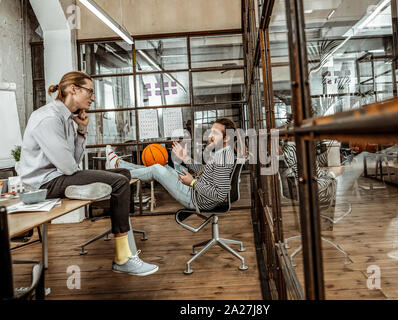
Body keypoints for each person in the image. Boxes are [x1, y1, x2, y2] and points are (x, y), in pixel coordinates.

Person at [19, 71, 158, 276]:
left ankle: (88, 193)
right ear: (73, 89)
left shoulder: (66, 118)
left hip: (59, 176)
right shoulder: (49, 118)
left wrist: (81, 130)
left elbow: (72, 163)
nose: (93, 98)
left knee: (123, 175)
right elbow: (69, 168)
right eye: (90, 92)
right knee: (119, 182)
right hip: (43, 185)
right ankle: (123, 258)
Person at [105, 118, 240, 211]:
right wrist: (185, 158)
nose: (210, 135)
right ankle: (119, 164)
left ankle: (117, 172)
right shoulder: (221, 153)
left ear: (226, 138)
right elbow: (205, 171)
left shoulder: (224, 158)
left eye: (215, 133)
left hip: (195, 198)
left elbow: (219, 195)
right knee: (162, 166)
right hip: (194, 191)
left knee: (157, 169)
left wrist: (192, 183)